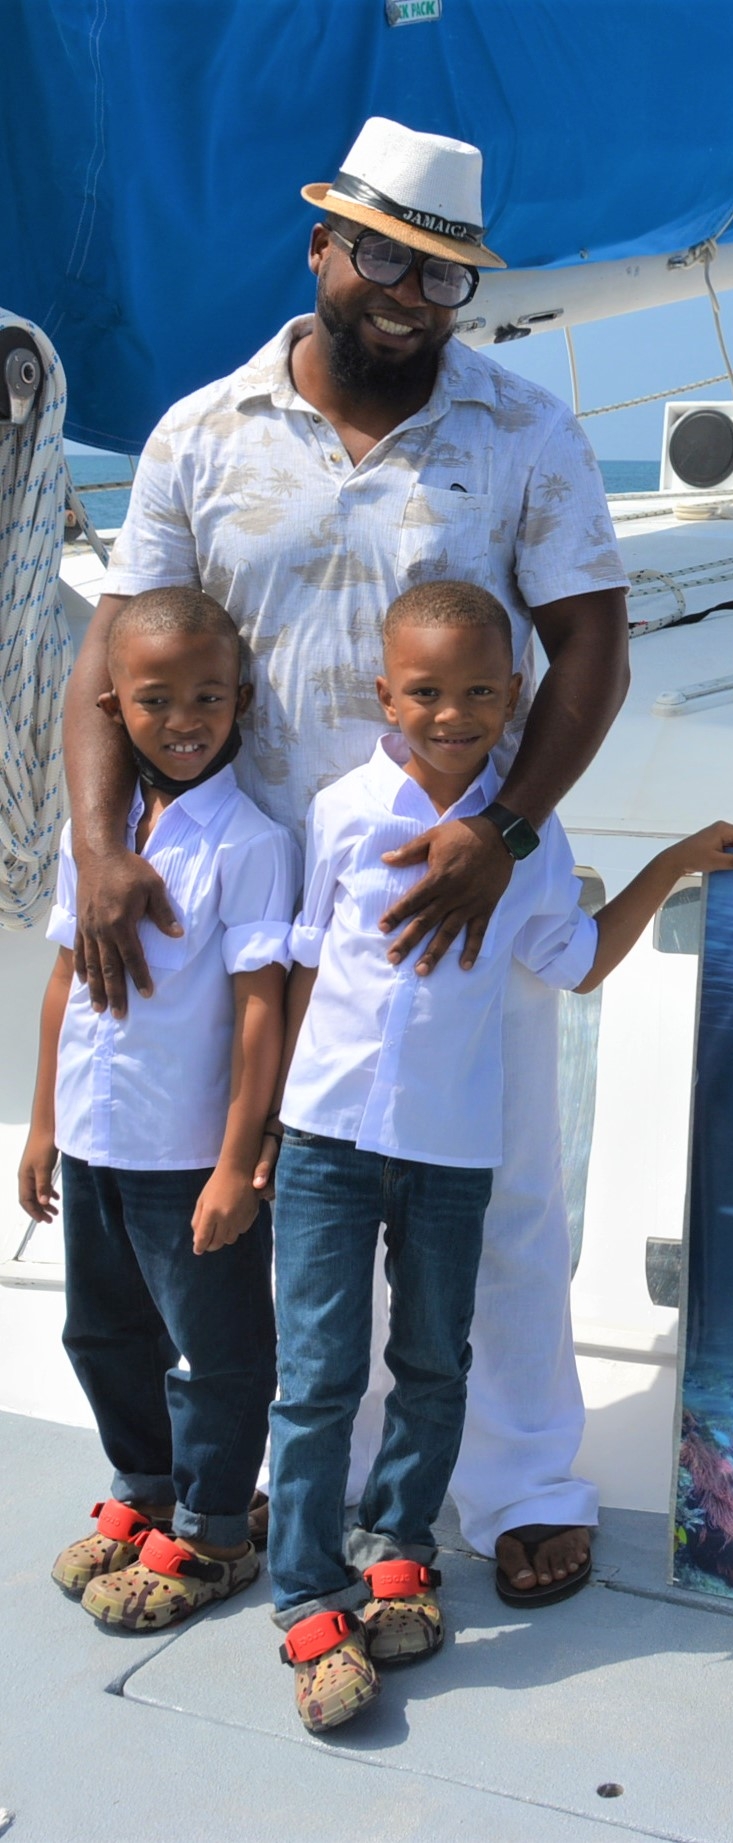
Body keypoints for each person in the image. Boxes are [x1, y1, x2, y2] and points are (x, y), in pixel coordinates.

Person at [65, 117, 631, 1601]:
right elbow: (108, 656)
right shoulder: (201, 430)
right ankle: (254, 1478)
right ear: (320, 244)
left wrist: (506, 831)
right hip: (251, 900)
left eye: (442, 273)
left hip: (461, 884)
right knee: (247, 1188)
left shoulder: (525, 430)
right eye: (380, 253)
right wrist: (101, 844)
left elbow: (590, 642)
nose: (406, 291)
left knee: (495, 1196)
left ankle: (521, 1484)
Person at [264, 579, 733, 1732]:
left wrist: (681, 859)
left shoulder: (530, 842)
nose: (450, 714)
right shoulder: (343, 810)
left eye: (478, 693)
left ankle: (396, 1550)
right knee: (323, 1368)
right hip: (329, 1141)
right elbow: (303, 965)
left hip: (451, 1151)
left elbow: (579, 960)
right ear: (382, 694)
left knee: (436, 1360)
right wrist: (260, 1136)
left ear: (518, 695)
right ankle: (304, 1583)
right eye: (425, 693)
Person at [20, 589, 295, 1630]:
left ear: (242, 702)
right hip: (95, 1142)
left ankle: (220, 1526)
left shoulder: (252, 845)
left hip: (186, 1152)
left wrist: (238, 1160)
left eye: (208, 696)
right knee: (102, 1333)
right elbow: (63, 982)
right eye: (156, 700)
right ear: (111, 705)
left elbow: (261, 1009)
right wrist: (45, 1124)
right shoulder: (97, 840)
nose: (186, 718)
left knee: (215, 1348)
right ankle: (149, 1486)